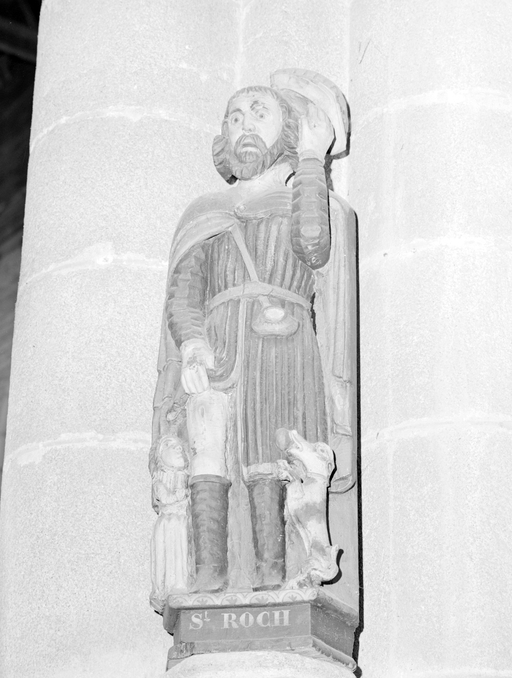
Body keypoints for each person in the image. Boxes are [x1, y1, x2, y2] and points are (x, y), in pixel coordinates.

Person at [151, 70, 354, 594]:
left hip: (282, 342)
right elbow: (185, 292)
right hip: (219, 343)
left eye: (259, 114)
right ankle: (209, 579)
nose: (244, 125)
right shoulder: (206, 213)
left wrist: (311, 160)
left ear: (286, 130)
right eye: (235, 117)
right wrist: (192, 343)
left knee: (271, 453)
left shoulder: (304, 201)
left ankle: (272, 576)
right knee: (207, 441)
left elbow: (314, 246)